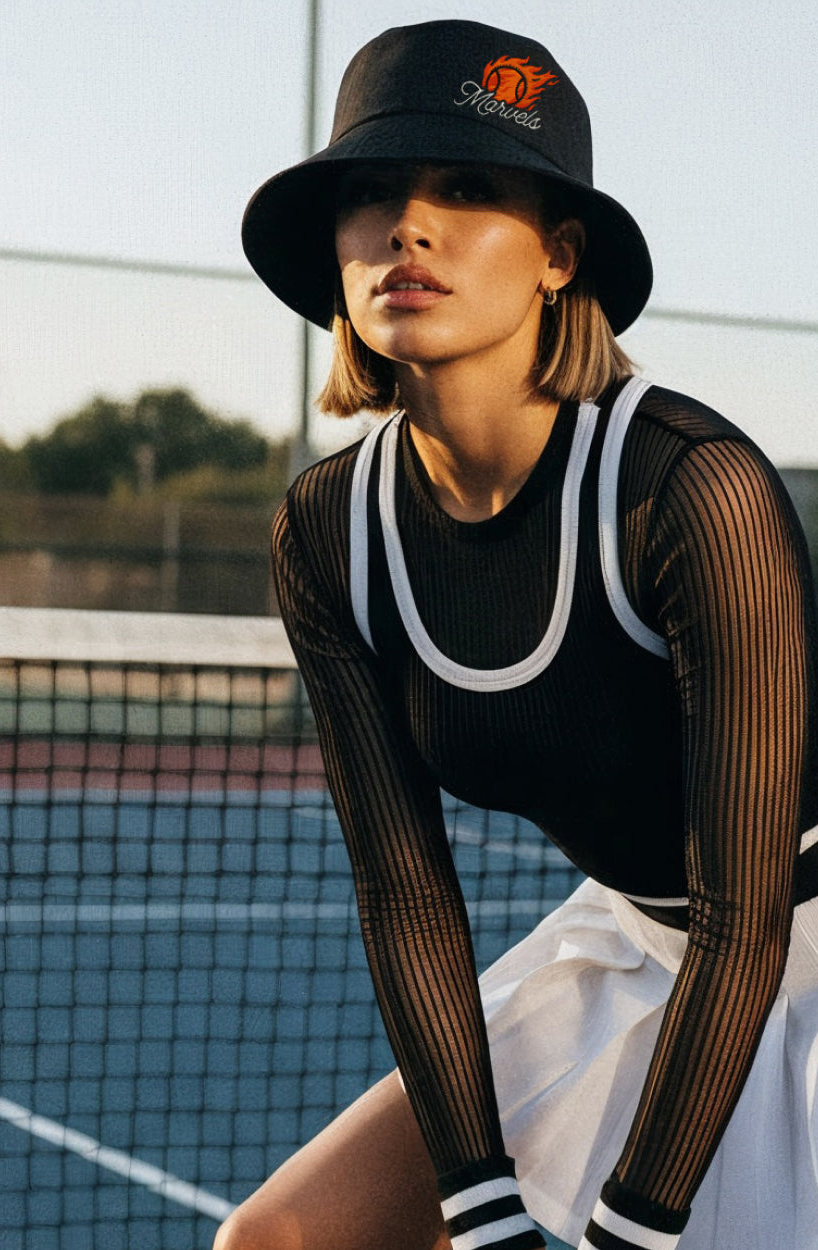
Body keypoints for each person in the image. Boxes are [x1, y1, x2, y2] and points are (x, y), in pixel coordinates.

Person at [225, 19, 818, 1250]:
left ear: (557, 257)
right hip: (645, 936)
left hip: (783, 941)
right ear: (333, 250)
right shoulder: (326, 528)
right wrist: (480, 1204)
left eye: (469, 189)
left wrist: (635, 1222)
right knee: (279, 1240)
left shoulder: (691, 487)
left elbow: (750, 911)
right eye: (373, 193)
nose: (411, 224)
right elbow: (405, 892)